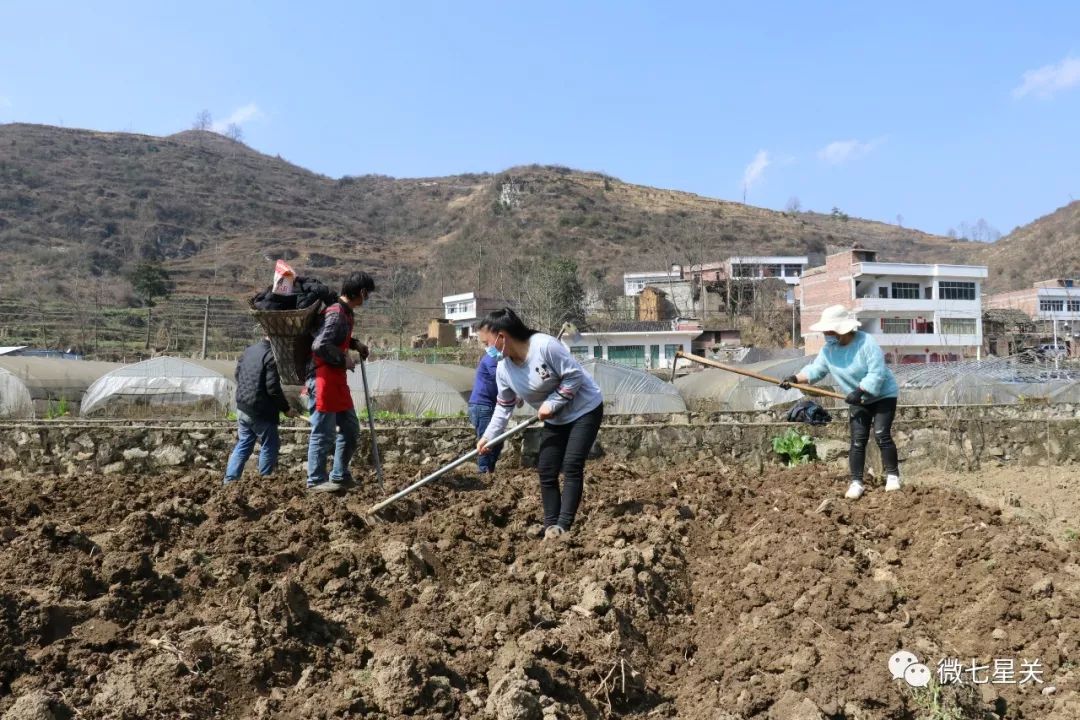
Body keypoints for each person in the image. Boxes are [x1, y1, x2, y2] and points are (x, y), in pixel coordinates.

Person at [476, 309, 603, 540]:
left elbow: (574, 376)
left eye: (487, 343)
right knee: (546, 469)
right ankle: (550, 524)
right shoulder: (504, 369)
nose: (487, 349)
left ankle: (563, 526)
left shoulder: (544, 346)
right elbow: (504, 406)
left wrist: (553, 403)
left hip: (584, 409)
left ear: (502, 337)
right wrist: (488, 437)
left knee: (571, 465)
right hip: (556, 418)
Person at [782, 304, 901, 500]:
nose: (826, 334)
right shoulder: (829, 350)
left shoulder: (866, 343)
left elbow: (877, 373)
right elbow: (816, 370)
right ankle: (856, 482)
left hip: (882, 395)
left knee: (881, 434)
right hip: (857, 398)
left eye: (829, 330)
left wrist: (861, 390)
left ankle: (893, 476)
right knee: (857, 440)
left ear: (841, 329)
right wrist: (794, 379)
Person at [305, 271, 375, 492]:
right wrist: (343, 358)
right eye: (368, 294)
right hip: (322, 378)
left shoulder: (345, 313)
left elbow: (336, 337)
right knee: (323, 432)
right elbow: (319, 346)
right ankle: (315, 480)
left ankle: (339, 475)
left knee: (350, 429)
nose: (367, 298)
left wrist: (355, 345)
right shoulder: (336, 313)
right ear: (362, 292)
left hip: (336, 380)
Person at [224, 336, 296, 484]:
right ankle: (264, 481)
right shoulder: (271, 355)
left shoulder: (249, 351)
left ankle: (230, 480)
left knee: (244, 442)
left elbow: (238, 374)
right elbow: (273, 389)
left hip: (242, 406)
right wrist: (286, 409)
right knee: (270, 444)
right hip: (260, 410)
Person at [468, 328, 503, 474]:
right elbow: (500, 377)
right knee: (487, 441)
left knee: (498, 441)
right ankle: (483, 472)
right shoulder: (491, 359)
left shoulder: (497, 359)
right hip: (482, 405)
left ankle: (490, 470)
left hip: (487, 405)